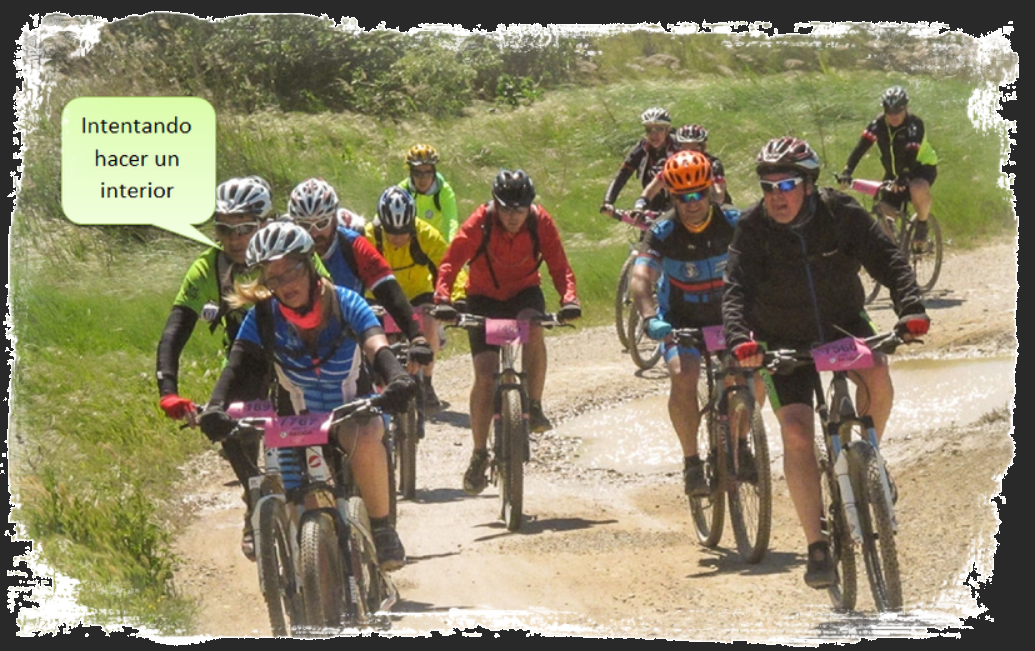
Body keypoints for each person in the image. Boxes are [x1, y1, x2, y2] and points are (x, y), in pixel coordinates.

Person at [723, 136, 931, 589]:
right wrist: (741, 341)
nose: (776, 196)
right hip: (781, 338)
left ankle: (868, 461)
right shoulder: (753, 227)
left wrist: (911, 309)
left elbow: (890, 262)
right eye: (768, 187)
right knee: (797, 432)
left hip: (842, 326)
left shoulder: (843, 213)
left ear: (809, 184)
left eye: (787, 185)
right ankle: (817, 546)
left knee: (877, 374)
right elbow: (735, 290)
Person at [198, 222, 416, 571]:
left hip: (350, 414)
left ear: (310, 264)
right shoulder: (263, 316)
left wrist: (397, 377)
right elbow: (236, 367)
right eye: (273, 277)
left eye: (292, 271)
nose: (285, 284)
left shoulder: (346, 302)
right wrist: (214, 408)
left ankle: (382, 529)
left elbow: (376, 345)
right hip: (296, 423)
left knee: (367, 433)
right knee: (305, 532)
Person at [431, 169, 582, 495]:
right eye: (506, 208)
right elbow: (451, 262)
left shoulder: (540, 222)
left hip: (524, 294)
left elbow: (559, 266)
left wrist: (569, 299)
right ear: (495, 204)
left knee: (534, 328)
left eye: (520, 208)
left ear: (530, 206)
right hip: (483, 297)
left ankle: (535, 405)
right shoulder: (480, 222)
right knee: (486, 375)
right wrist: (443, 299)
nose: (514, 215)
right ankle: (479, 453)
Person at [628, 150, 743, 498]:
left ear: (710, 191)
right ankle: (692, 462)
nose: (692, 204)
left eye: (698, 195)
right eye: (682, 198)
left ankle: (743, 443)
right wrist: (649, 317)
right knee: (683, 374)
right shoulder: (663, 232)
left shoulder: (734, 222)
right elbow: (640, 279)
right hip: (681, 318)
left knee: (750, 373)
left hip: (729, 314)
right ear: (671, 197)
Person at [155, 176, 272, 507]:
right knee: (223, 423)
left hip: (299, 357)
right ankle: (257, 501)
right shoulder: (208, 267)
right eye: (224, 229)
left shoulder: (292, 252)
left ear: (265, 224)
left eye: (244, 229)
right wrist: (168, 391)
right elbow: (175, 330)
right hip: (245, 362)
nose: (234, 239)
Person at [285, 178, 433, 369]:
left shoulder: (353, 246)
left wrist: (416, 336)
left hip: (347, 344)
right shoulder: (284, 252)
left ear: (334, 218)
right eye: (305, 226)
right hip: (297, 343)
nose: (314, 234)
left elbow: (388, 289)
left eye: (321, 223)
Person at [365, 185, 450, 413]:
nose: (398, 238)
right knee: (377, 338)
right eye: (391, 232)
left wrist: (455, 298)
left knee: (429, 320)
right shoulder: (368, 237)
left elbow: (448, 267)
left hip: (417, 294)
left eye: (404, 231)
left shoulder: (426, 234)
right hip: (380, 297)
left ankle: (427, 381)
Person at [838, 86, 939, 247]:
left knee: (917, 187)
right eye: (889, 111)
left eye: (898, 110)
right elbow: (861, 148)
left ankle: (922, 224)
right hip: (895, 173)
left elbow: (912, 151)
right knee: (884, 212)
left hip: (921, 167)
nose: (893, 115)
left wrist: (905, 175)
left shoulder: (914, 124)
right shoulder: (878, 124)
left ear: (905, 108)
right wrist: (847, 170)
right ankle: (893, 251)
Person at [600, 107, 679, 215]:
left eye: (659, 129)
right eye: (649, 130)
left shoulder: (678, 147)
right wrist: (608, 201)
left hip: (678, 202)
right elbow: (623, 174)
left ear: (668, 129)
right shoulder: (643, 148)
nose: (654, 135)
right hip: (651, 203)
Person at [634, 124, 733, 209]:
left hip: (713, 208)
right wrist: (640, 206)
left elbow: (719, 195)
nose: (689, 154)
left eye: (694, 149)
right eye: (685, 149)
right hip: (681, 209)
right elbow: (651, 189)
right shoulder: (673, 164)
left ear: (704, 147)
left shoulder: (713, 164)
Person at [398, 143, 460, 242]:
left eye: (428, 173)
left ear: (434, 173)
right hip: (411, 244)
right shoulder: (402, 191)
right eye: (417, 173)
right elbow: (384, 219)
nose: (423, 179)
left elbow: (451, 222)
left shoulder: (443, 190)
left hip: (437, 244)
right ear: (411, 173)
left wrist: (451, 247)